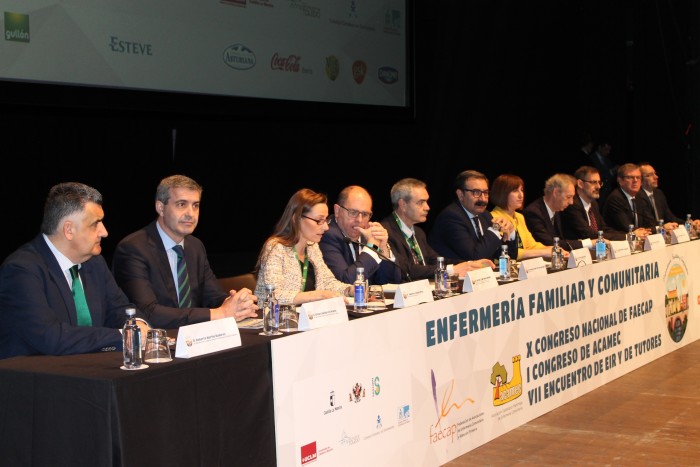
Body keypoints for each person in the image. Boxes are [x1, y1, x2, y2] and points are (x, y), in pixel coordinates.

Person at [0, 182, 148, 359]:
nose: (105, 232)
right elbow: (51, 337)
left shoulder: (94, 262)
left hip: (88, 374)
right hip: (34, 380)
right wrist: (123, 335)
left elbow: (119, 309)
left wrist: (137, 324)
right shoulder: (21, 270)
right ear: (68, 230)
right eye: (96, 224)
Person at [112, 175, 258, 329]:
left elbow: (213, 298)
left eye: (195, 205)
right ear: (160, 207)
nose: (191, 213)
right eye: (182, 204)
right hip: (155, 341)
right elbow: (147, 312)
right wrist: (219, 314)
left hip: (194, 338)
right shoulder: (133, 248)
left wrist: (236, 302)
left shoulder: (195, 246)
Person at [380, 178, 494, 282]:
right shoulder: (385, 233)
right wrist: (451, 270)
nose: (427, 207)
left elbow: (435, 261)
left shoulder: (419, 233)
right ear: (403, 204)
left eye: (427, 201)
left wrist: (469, 264)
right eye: (421, 202)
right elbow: (405, 269)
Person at [254, 188, 351, 305]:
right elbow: (274, 295)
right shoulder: (275, 247)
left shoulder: (312, 246)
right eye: (319, 220)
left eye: (326, 220)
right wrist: (318, 295)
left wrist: (350, 290)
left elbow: (327, 282)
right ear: (297, 219)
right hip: (272, 319)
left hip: (305, 317)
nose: (326, 227)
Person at [429, 170, 518, 262]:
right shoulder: (451, 217)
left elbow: (508, 256)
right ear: (460, 194)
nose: (483, 199)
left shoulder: (485, 215)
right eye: (476, 192)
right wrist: (495, 228)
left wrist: (511, 232)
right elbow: (475, 257)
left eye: (486, 193)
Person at [319, 185, 401, 285]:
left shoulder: (367, 235)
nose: (359, 220)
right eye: (353, 212)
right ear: (337, 211)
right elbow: (346, 282)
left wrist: (383, 248)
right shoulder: (326, 235)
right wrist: (372, 247)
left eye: (365, 214)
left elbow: (391, 283)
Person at [561, 166, 651, 245]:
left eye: (599, 182)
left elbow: (603, 228)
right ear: (580, 184)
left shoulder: (593, 204)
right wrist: (627, 236)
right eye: (593, 182)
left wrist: (628, 235)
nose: (598, 187)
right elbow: (589, 234)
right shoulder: (572, 205)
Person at [490, 174, 556, 260]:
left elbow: (531, 245)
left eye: (521, 190)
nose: (521, 195)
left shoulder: (519, 216)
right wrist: (544, 252)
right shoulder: (494, 218)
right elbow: (508, 251)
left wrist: (552, 249)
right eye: (515, 191)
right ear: (502, 193)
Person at [523, 173, 582, 251]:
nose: (571, 202)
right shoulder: (533, 212)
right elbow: (549, 243)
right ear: (556, 193)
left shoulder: (557, 210)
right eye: (568, 197)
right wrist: (587, 243)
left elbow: (561, 240)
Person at [602, 163, 659, 232]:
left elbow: (650, 222)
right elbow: (628, 228)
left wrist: (661, 227)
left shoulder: (639, 196)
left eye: (638, 177)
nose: (635, 180)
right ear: (620, 180)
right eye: (630, 177)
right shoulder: (615, 198)